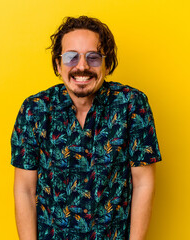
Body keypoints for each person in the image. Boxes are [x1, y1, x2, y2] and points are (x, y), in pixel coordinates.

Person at [11, 16, 162, 240]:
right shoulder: (35, 110)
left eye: (93, 58)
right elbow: (24, 188)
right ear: (57, 65)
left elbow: (143, 183)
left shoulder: (132, 105)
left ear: (107, 64)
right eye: (71, 57)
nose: (82, 66)